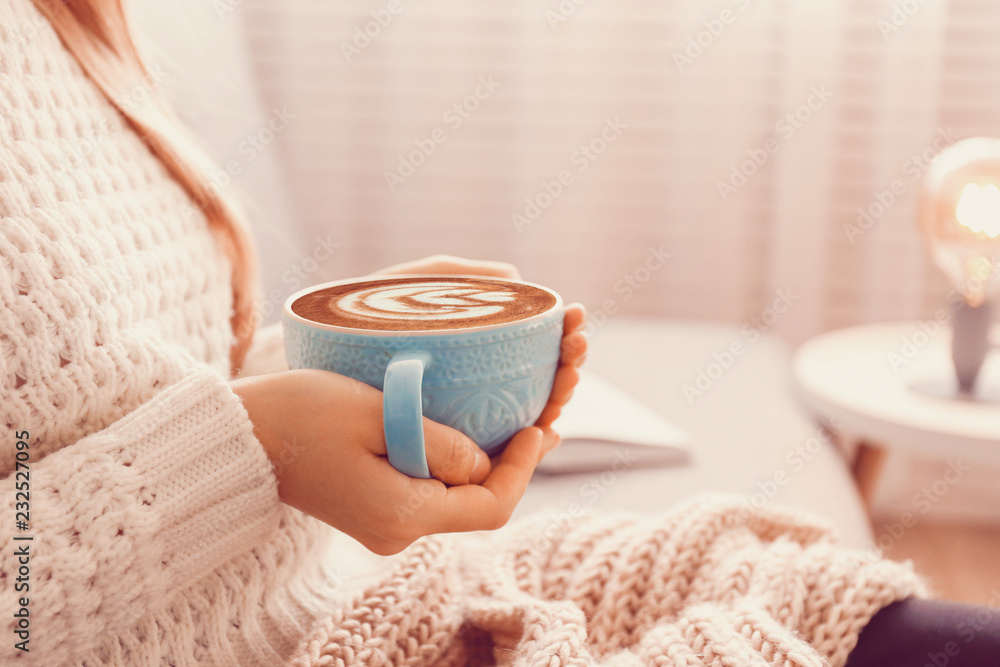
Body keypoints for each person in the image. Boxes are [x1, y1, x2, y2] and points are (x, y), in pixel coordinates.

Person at [0, 0, 997, 665]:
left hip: (350, 605)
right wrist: (257, 448)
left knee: (807, 593)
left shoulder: (72, 26)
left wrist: (327, 369)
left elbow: (142, 391)